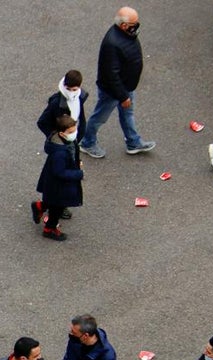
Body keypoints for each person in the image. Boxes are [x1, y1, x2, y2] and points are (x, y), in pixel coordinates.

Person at [78, 6, 156, 158]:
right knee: (100, 117)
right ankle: (87, 142)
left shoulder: (126, 34)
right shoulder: (112, 44)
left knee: (127, 114)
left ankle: (133, 142)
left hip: (125, 87)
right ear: (124, 25)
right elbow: (111, 75)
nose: (137, 26)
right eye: (134, 24)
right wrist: (123, 96)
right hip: (113, 91)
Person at [31, 114, 83, 241]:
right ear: (61, 133)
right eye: (70, 132)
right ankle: (50, 229)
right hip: (58, 184)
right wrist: (78, 174)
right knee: (57, 207)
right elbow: (59, 172)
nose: (74, 133)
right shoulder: (59, 153)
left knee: (54, 201)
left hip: (56, 184)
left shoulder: (66, 143)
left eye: (74, 130)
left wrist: (76, 162)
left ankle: (40, 206)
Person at [38, 69, 89, 148]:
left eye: (74, 90)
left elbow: (81, 116)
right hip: (63, 140)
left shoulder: (80, 97)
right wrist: (55, 139)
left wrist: (80, 132)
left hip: (74, 136)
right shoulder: (56, 103)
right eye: (68, 89)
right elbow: (42, 122)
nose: (71, 93)